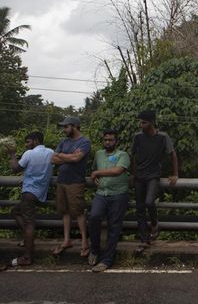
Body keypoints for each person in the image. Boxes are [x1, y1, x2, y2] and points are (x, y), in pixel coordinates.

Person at [131, 110, 178, 254]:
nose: (140, 125)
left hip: (153, 175)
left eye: (143, 122)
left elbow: (172, 154)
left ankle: (155, 224)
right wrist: (133, 174)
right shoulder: (137, 137)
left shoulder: (163, 137)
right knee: (139, 209)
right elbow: (133, 155)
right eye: (140, 122)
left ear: (151, 122)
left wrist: (175, 174)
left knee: (149, 202)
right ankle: (144, 240)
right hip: (139, 176)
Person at [4, 132, 54, 266]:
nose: (26, 145)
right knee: (15, 211)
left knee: (30, 224)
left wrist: (12, 154)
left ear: (36, 141)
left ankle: (27, 257)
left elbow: (15, 168)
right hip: (40, 193)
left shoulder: (29, 154)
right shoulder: (51, 152)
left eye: (28, 142)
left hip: (29, 193)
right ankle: (28, 239)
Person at [88, 129, 131, 272]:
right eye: (105, 140)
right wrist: (95, 176)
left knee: (114, 226)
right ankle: (94, 249)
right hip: (101, 193)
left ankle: (107, 260)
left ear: (116, 141)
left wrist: (97, 173)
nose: (108, 142)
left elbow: (117, 171)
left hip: (118, 194)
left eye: (111, 140)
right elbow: (93, 170)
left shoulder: (122, 155)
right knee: (94, 218)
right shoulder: (99, 154)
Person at [51, 116, 92, 257]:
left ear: (74, 126)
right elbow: (53, 159)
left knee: (79, 212)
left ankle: (84, 242)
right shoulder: (64, 141)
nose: (64, 129)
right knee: (65, 212)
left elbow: (77, 158)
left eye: (66, 126)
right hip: (61, 181)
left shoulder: (84, 141)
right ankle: (66, 240)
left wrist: (62, 156)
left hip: (75, 182)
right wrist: (68, 156)